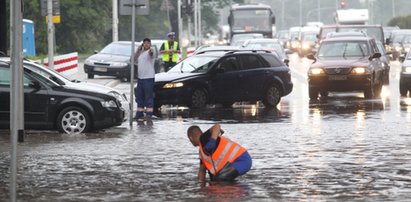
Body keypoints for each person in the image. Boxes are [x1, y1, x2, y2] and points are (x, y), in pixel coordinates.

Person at [187, 124, 252, 181]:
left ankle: (238, 193)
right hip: (236, 162)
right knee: (215, 180)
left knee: (220, 179)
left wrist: (212, 140)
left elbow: (217, 126)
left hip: (241, 159)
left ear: (191, 138)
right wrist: (200, 186)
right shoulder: (202, 153)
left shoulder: (204, 137)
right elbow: (202, 171)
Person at [133, 38, 155, 124]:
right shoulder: (140, 54)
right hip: (140, 78)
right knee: (140, 97)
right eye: (144, 43)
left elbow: (151, 53)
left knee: (148, 97)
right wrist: (138, 50)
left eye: (148, 43)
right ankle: (139, 114)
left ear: (150, 44)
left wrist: (151, 50)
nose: (146, 44)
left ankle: (149, 114)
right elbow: (133, 60)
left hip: (148, 78)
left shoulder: (150, 52)